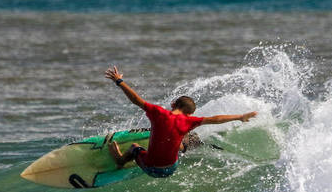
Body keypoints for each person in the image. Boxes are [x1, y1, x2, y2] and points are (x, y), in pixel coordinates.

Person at [104, 66, 256, 178]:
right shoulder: (189, 121)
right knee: (182, 138)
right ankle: (185, 148)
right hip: (171, 168)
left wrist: (119, 81)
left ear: (173, 104)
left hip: (152, 169)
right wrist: (240, 117)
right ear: (190, 113)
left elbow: (136, 100)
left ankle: (120, 161)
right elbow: (216, 119)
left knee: (134, 147)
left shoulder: (158, 113)